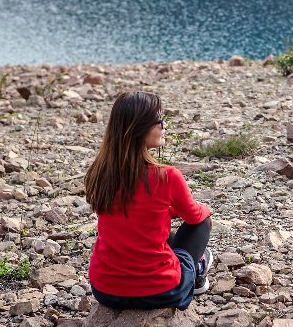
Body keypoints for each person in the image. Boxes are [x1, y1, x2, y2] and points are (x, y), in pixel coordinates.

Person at [84, 91, 212, 310]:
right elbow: (194, 215)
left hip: (106, 291)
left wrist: (164, 210)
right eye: (159, 120)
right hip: (161, 292)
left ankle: (191, 266)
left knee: (162, 234)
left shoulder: (100, 173)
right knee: (202, 222)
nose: (164, 126)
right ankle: (197, 270)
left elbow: (127, 213)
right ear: (139, 128)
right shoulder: (167, 176)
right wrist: (202, 206)